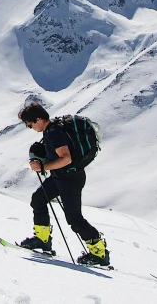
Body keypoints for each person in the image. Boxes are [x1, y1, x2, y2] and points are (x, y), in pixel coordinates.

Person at [18, 102, 110, 266]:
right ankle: (42, 239)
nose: (30, 127)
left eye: (30, 124)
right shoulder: (51, 130)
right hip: (60, 176)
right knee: (38, 199)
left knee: (74, 218)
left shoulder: (54, 132)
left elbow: (66, 158)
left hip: (70, 179)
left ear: (38, 119)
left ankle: (99, 253)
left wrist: (43, 166)